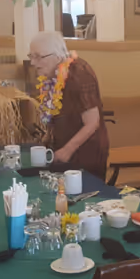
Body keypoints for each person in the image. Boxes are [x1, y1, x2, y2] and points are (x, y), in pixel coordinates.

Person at [29, 31, 109, 179]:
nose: (33, 62)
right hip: (63, 148)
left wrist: (67, 150)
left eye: (38, 56)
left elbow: (92, 123)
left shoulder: (79, 75)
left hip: (85, 154)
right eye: (31, 56)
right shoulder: (51, 74)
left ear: (57, 56)